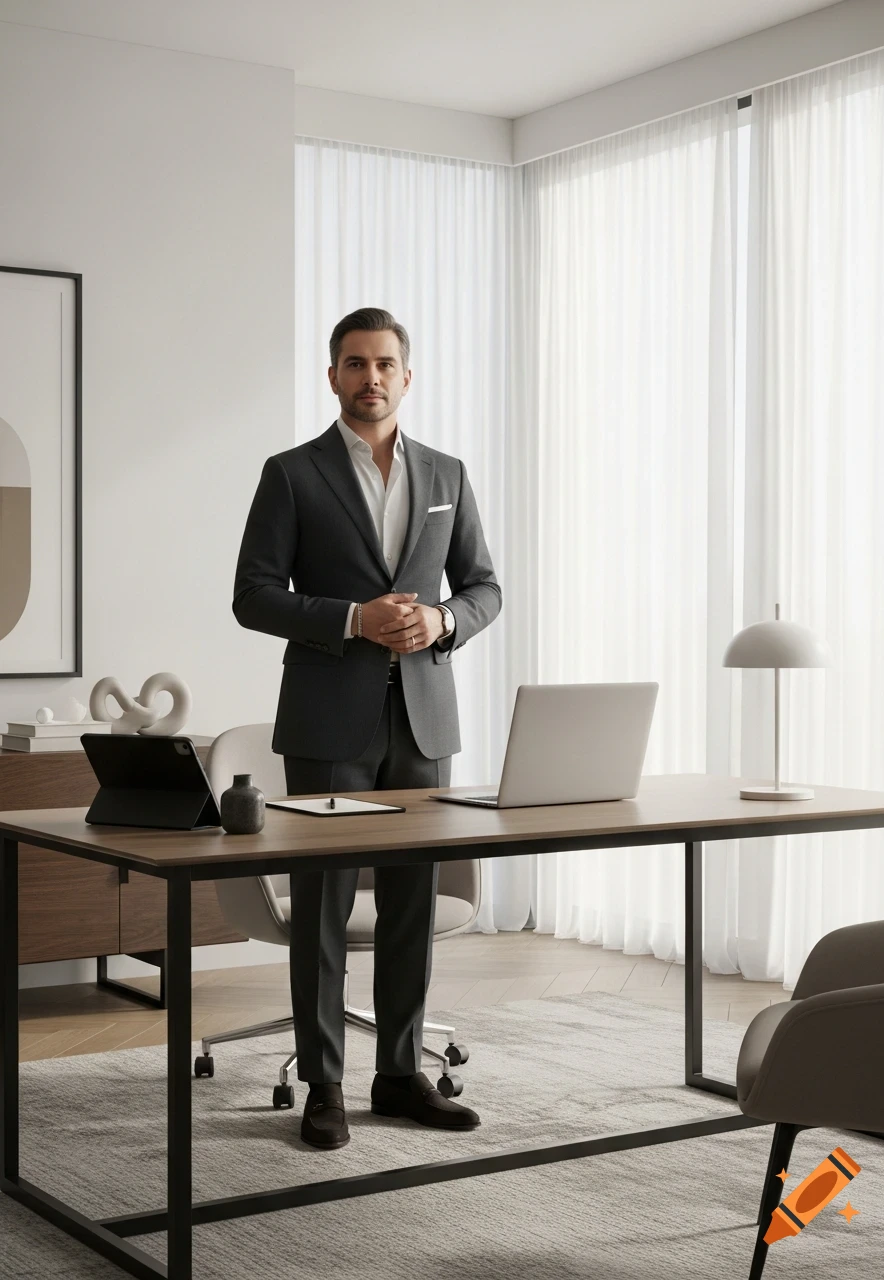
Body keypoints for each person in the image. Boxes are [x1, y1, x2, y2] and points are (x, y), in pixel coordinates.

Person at [233, 307, 502, 1148]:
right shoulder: (291, 474)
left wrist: (444, 621)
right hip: (328, 723)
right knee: (324, 905)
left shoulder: (447, 473)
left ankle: (398, 1076)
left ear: (406, 377)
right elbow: (253, 596)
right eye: (355, 363)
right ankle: (324, 1084)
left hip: (422, 722)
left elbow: (485, 587)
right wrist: (354, 619)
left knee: (412, 903)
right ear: (333, 376)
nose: (371, 377)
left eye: (385, 363)